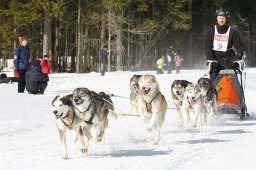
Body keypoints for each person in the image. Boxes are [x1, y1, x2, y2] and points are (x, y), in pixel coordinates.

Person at [205, 7, 245, 81]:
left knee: (231, 81)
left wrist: (237, 59)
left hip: (229, 61)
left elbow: (240, 47)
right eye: (219, 18)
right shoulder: (210, 31)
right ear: (216, 18)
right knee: (216, 84)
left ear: (226, 19)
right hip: (215, 60)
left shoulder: (233, 32)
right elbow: (207, 47)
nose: (221, 20)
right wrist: (210, 59)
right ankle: (216, 92)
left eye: (223, 18)